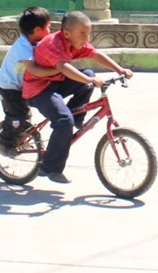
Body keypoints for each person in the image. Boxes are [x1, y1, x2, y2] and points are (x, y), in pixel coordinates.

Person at [22, 10, 133, 184]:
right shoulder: (53, 43)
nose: (86, 38)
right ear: (66, 33)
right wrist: (90, 80)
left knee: (87, 73)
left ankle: (76, 115)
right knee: (64, 120)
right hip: (39, 90)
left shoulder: (75, 43)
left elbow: (95, 54)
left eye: (88, 34)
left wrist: (119, 69)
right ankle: (49, 168)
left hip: (55, 82)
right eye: (82, 34)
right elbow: (64, 67)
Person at [0, 6, 58, 148]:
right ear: (37, 30)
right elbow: (34, 69)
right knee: (17, 117)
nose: (50, 31)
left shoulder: (34, 42)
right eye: (48, 27)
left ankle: (21, 140)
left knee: (25, 115)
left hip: (20, 86)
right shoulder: (23, 46)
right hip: (8, 87)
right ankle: (4, 143)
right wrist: (56, 71)